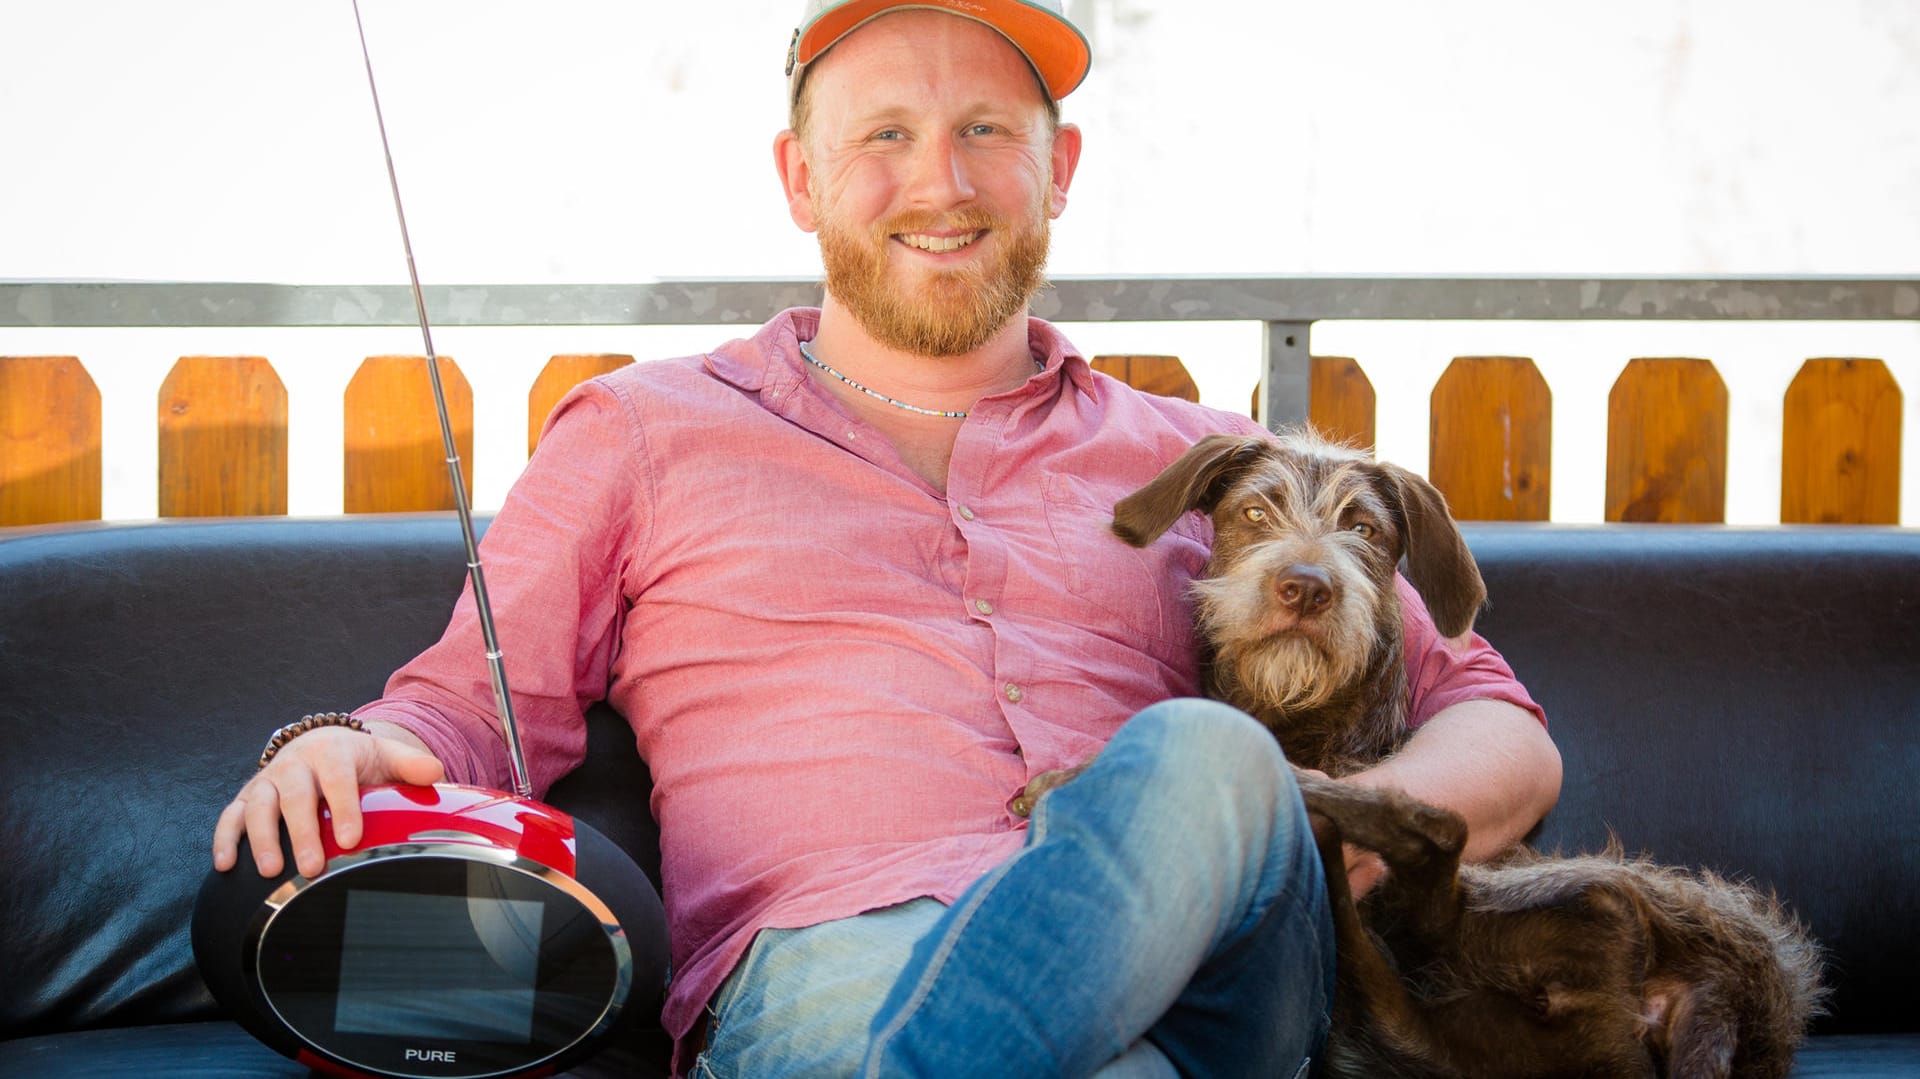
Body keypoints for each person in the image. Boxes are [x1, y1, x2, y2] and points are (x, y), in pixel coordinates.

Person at [212, 2, 1560, 1076]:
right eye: (885, 138)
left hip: (1214, 971)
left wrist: (1355, 843)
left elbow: (1495, 721)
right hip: (846, 966)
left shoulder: (1204, 468)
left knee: (1211, 758)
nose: (944, 180)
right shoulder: (643, 430)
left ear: (1058, 171)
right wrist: (329, 746)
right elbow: (467, 714)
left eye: (986, 130)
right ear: (801, 179)